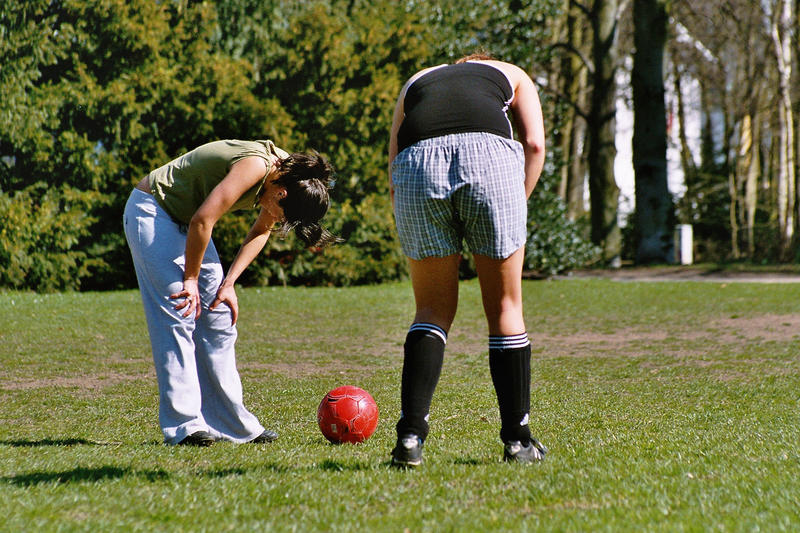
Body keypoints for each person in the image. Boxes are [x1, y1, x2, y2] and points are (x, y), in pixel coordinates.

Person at [387, 53, 547, 466]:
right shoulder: (513, 73)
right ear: (487, 66)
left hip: (416, 166)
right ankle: (518, 440)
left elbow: (393, 161)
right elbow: (534, 144)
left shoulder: (417, 79)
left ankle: (409, 438)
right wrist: (517, 202)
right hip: (490, 160)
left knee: (431, 309)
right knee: (506, 309)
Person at [124, 139, 336, 446]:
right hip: (154, 210)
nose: (279, 221)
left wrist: (228, 284)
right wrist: (191, 280)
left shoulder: (287, 177)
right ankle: (184, 426)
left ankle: (233, 426)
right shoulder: (256, 167)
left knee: (219, 316)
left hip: (189, 221)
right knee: (180, 310)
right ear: (281, 194)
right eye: (284, 214)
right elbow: (203, 219)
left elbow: (261, 229)